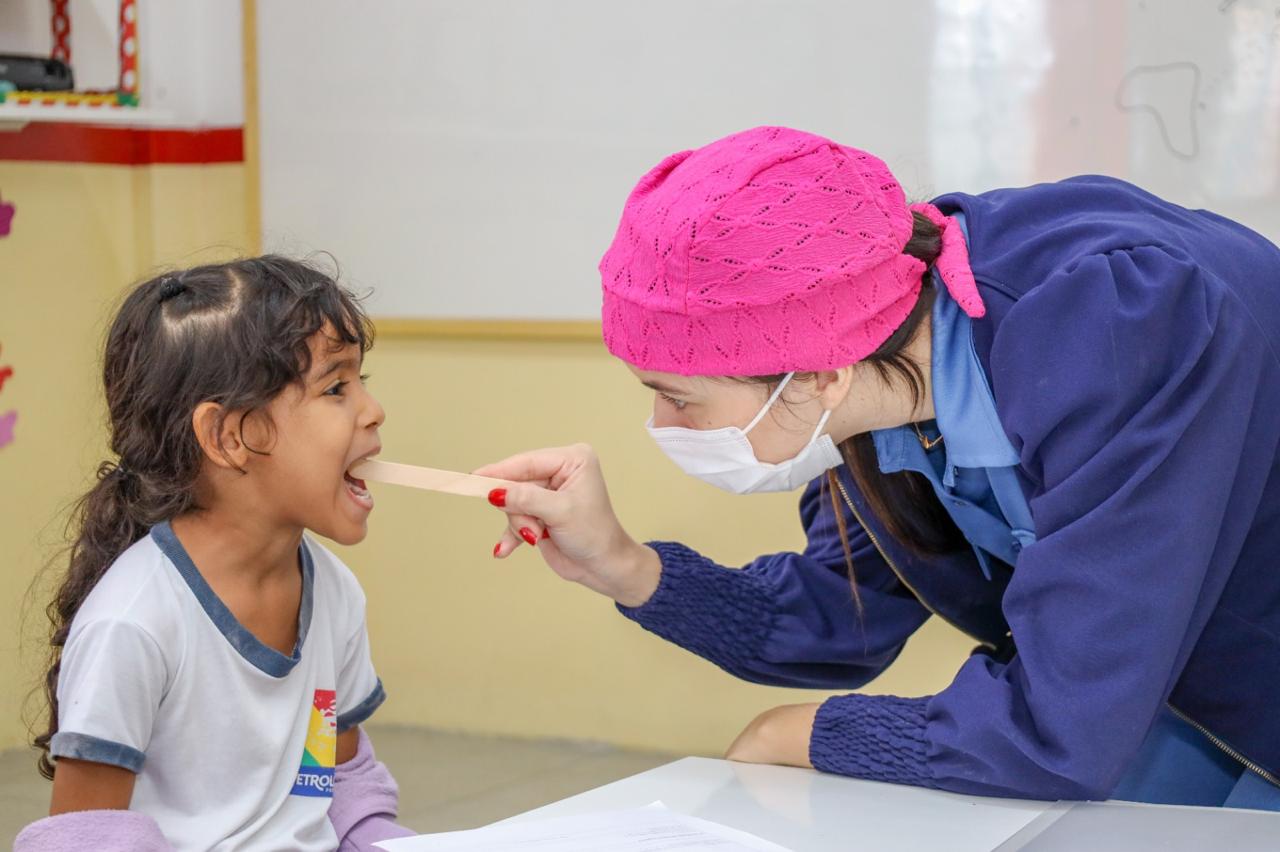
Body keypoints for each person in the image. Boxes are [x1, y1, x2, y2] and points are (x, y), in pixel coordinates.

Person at [478, 126, 1280, 809]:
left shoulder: (1119, 322)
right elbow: (841, 616)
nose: (662, 426)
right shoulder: (878, 348)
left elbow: (1061, 734)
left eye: (678, 398)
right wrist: (622, 565)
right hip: (1169, 692)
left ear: (818, 372)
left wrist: (799, 735)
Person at [18, 257, 414, 850]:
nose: (373, 409)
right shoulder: (132, 624)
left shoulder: (334, 593)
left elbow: (333, 776)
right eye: (336, 387)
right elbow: (84, 838)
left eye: (361, 381)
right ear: (230, 436)